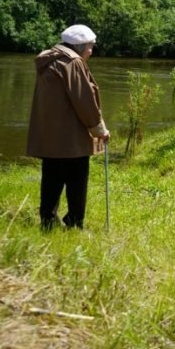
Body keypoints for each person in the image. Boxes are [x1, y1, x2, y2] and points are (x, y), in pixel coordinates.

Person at [26, 24, 111, 231]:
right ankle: (74, 223)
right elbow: (84, 100)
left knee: (51, 178)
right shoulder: (73, 63)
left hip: (50, 135)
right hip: (72, 137)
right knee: (77, 181)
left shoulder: (50, 60)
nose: (91, 51)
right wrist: (99, 130)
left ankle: (47, 220)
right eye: (90, 47)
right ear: (80, 46)